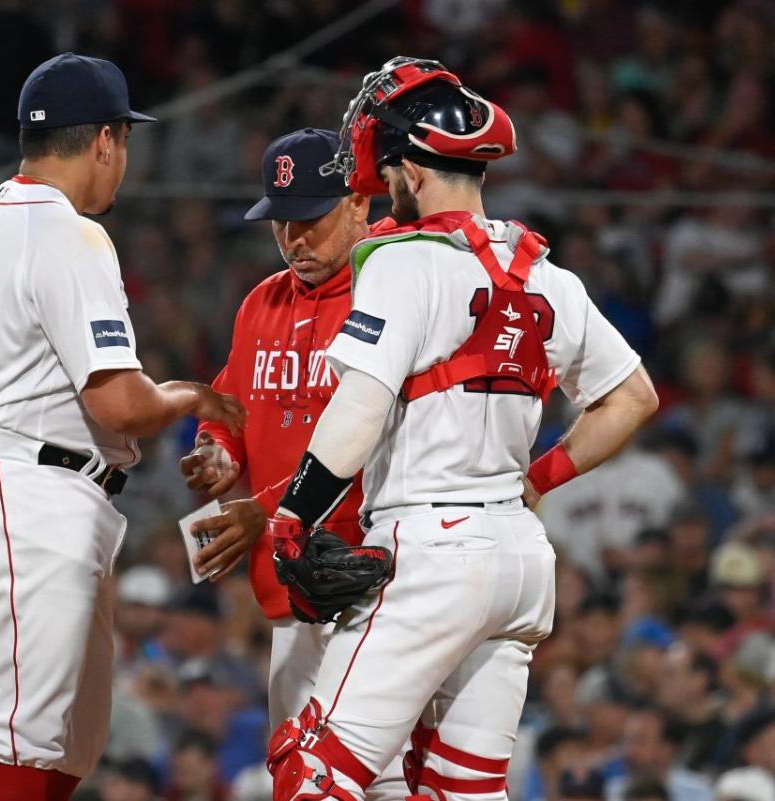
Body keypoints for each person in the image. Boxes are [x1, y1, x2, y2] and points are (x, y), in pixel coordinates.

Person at [261, 57, 659, 801]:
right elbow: (633, 397)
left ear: (412, 168)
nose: (378, 181)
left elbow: (361, 404)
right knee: (462, 792)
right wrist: (537, 480)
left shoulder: (402, 260)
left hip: (429, 551)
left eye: (383, 165)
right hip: (517, 562)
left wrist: (294, 514)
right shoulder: (547, 274)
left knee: (310, 772)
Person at [0, 53, 245, 801]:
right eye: (124, 141)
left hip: (3, 487)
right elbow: (120, 404)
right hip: (32, 496)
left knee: (67, 747)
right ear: (107, 140)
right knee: (24, 745)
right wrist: (189, 395)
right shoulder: (67, 234)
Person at [178, 127, 404, 798]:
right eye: (281, 221)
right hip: (289, 597)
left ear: (361, 202)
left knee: (385, 785)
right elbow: (229, 405)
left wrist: (269, 505)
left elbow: (382, 439)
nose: (293, 238)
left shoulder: (390, 289)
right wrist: (217, 452)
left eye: (310, 217)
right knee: (298, 777)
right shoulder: (263, 301)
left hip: (371, 590)